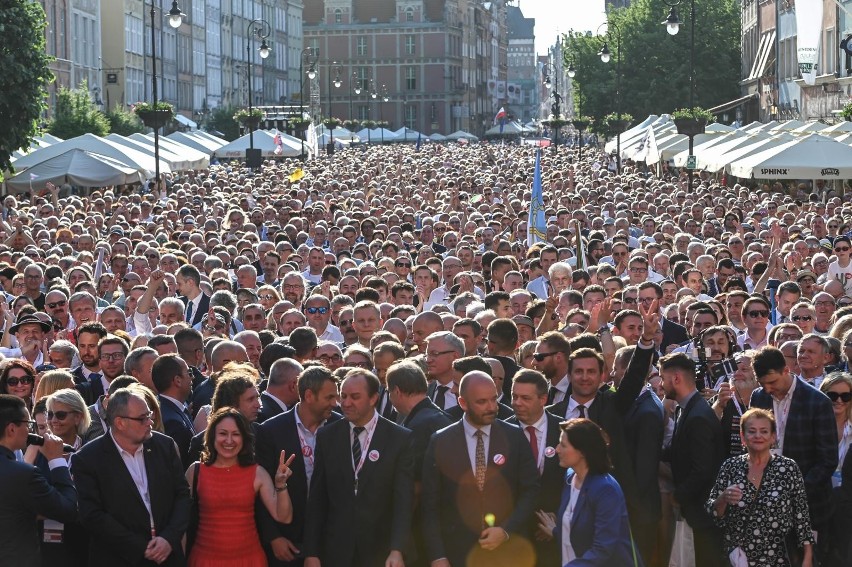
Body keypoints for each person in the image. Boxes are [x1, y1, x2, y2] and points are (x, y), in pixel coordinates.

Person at [421, 370, 540, 567]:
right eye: (482, 402)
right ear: (463, 403)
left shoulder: (514, 437)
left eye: (494, 399)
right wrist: (437, 556)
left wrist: (505, 530)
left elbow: (531, 489)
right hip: (458, 554)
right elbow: (430, 504)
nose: (491, 407)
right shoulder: (441, 441)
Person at [302, 369, 414, 567]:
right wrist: (311, 552)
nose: (345, 403)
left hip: (380, 551)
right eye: (343, 396)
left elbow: (403, 500)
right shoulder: (328, 436)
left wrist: (397, 549)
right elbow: (317, 498)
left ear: (373, 399)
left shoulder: (399, 438)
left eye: (354, 397)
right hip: (336, 551)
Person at [71, 388, 192, 566]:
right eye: (142, 418)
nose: (150, 421)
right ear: (120, 423)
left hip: (168, 557)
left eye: (149, 414)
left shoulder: (164, 446)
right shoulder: (88, 459)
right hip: (119, 558)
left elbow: (182, 495)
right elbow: (92, 515)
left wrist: (168, 539)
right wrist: (142, 548)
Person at [750, 346, 837, 562]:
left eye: (772, 382)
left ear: (786, 370)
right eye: (763, 384)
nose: (768, 389)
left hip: (809, 507)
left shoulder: (817, 402)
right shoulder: (758, 397)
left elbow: (827, 460)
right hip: (765, 507)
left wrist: (792, 492)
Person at [186, 407, 296, 567]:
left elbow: (284, 517)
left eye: (236, 434)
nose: (229, 440)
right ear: (212, 436)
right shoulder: (195, 472)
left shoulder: (258, 473)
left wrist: (280, 484)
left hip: (250, 560)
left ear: (244, 438)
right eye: (223, 433)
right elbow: (181, 522)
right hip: (204, 560)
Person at [256, 365, 341, 566]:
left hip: (329, 538)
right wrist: (273, 537)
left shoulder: (341, 428)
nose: (335, 403)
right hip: (287, 541)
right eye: (329, 397)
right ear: (309, 395)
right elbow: (260, 490)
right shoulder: (271, 430)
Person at [707, 408, 814, 567]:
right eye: (752, 431)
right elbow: (713, 513)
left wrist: (807, 557)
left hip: (779, 558)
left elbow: (802, 517)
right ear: (743, 437)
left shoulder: (788, 468)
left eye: (764, 431)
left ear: (773, 437)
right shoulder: (730, 466)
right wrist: (723, 498)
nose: (758, 436)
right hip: (738, 559)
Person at [536, 418, 640, 567]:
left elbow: (602, 549)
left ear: (583, 451)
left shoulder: (606, 490)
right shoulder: (570, 477)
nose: (557, 449)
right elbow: (579, 531)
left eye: (563, 445)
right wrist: (556, 532)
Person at [659, 351, 725, 567]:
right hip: (696, 511)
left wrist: (679, 495)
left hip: (703, 514)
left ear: (676, 379)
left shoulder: (698, 416)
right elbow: (678, 449)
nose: (661, 384)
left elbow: (703, 469)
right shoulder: (686, 409)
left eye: (663, 378)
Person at [0, 394, 78, 567]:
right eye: (29, 425)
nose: (31, 431)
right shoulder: (23, 474)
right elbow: (67, 509)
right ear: (12, 429)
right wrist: (56, 461)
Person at [506, 368, 565, 567]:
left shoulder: (563, 431)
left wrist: (557, 518)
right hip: (514, 536)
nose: (517, 403)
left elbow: (574, 481)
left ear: (543, 399)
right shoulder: (502, 432)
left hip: (553, 534)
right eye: (514, 396)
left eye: (525, 398)